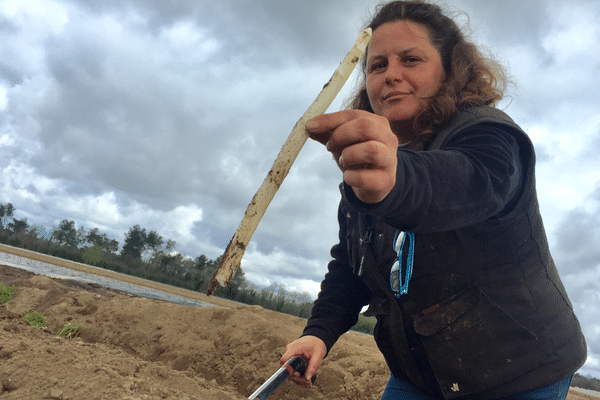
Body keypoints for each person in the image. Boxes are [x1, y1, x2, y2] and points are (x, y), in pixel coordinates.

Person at [280, 1, 587, 399]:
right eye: (377, 66)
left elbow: (468, 183)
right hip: (421, 374)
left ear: (449, 70)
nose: (392, 75)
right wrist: (318, 333)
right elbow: (353, 265)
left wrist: (395, 179)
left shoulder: (489, 136)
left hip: (521, 372)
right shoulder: (368, 168)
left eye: (410, 59)